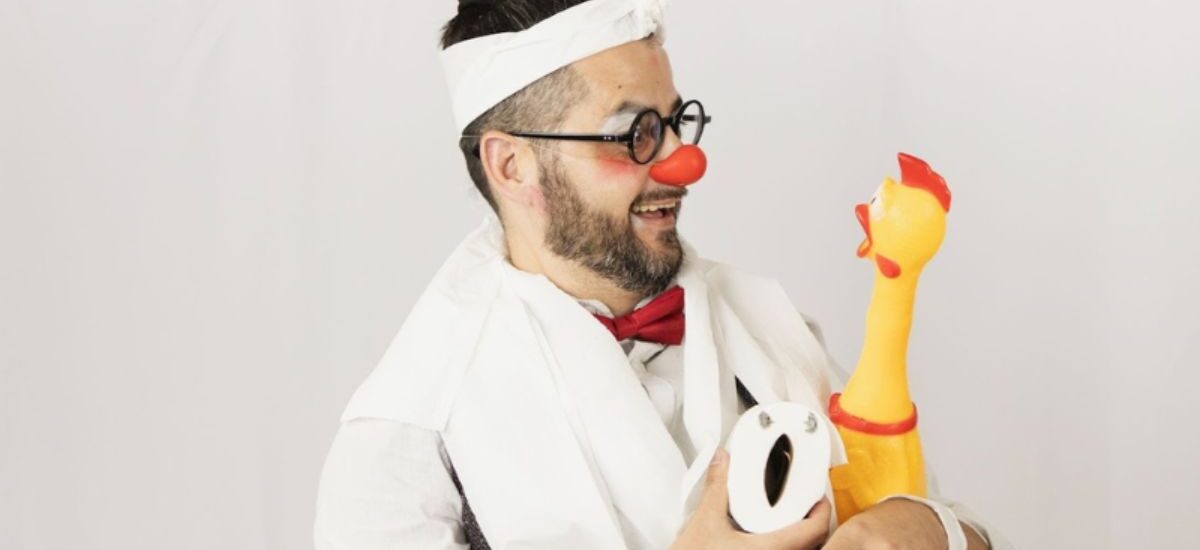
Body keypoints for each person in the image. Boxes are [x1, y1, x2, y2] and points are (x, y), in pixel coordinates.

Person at [314, 1, 1008, 548]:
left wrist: (932, 529)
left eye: (675, 122)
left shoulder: (766, 319)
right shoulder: (412, 426)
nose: (682, 163)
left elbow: (933, 509)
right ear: (512, 165)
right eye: (634, 133)